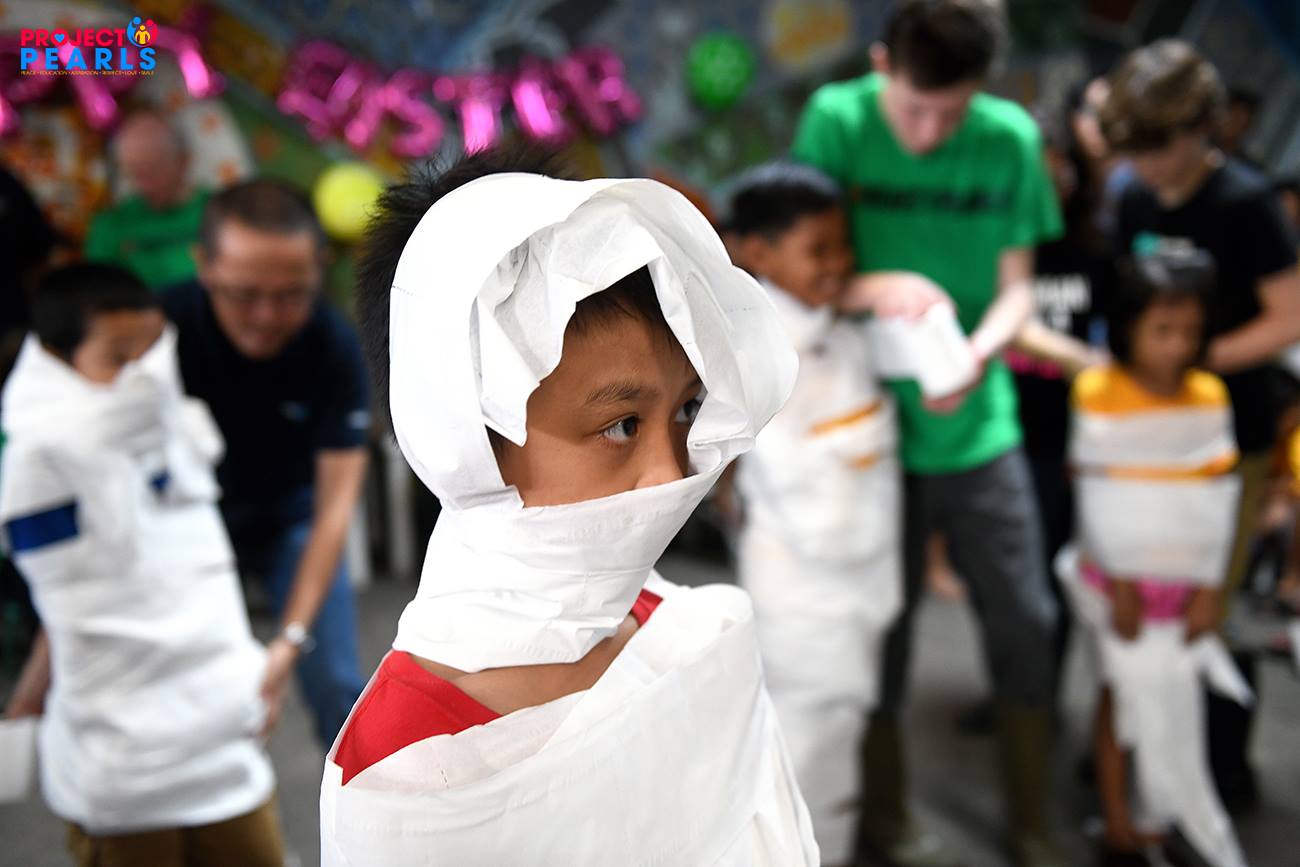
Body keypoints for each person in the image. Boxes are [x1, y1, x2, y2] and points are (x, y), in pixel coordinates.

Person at [319, 150, 818, 865]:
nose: (671, 471)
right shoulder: (403, 768)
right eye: (621, 425)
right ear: (465, 440)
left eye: (687, 411)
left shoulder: (675, 624)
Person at [793, 2, 1065, 864]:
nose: (929, 132)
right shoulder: (835, 121)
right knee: (884, 626)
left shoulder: (1009, 138)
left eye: (951, 113)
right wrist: (875, 285)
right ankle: (886, 816)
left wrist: (981, 351)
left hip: (981, 424)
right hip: (867, 430)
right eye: (914, 108)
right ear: (882, 64)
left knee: (1027, 617)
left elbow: (1018, 288)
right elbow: (796, 270)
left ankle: (1031, 821)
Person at [0, 264, 284, 867]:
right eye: (118, 356)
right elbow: (76, 601)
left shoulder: (167, 430)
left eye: (150, 353)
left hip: (223, 744)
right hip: (124, 765)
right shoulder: (39, 463)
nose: (142, 375)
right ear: (56, 360)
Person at [1101, 39, 1300, 809]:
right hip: (1145, 432)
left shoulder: (1246, 203)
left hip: (1229, 435)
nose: (1146, 164)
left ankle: (1223, 765)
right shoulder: (1133, 196)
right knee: (1144, 585)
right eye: (1134, 149)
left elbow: (1288, 316)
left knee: (1211, 597)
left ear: (1203, 128)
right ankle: (1143, 754)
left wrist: (1193, 361)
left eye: (1160, 147)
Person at [723, 162, 902, 867]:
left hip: (859, 585)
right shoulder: (757, 352)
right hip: (802, 590)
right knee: (801, 745)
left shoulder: (847, 338)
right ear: (758, 252)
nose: (837, 264)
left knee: (837, 745)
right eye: (817, 249)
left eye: (842, 246)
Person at [162, 180, 370, 747]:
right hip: (187, 527)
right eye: (245, 294)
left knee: (338, 684)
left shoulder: (333, 345)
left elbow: (335, 510)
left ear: (318, 268)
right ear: (205, 266)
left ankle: (361, 800)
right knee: (182, 694)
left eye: (292, 294)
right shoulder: (160, 332)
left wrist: (292, 637)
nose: (267, 316)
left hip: (292, 520)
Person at [1063, 247, 1250, 867]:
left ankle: (1160, 818)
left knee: (1175, 707)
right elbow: (1099, 499)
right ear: (1127, 325)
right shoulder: (1098, 391)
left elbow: (1215, 502)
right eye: (1162, 330)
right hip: (1117, 588)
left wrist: (1208, 589)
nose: (1177, 346)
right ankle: (1119, 826)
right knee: (1122, 699)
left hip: (1182, 588)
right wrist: (1120, 585)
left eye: (1191, 332)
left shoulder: (1209, 395)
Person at [84, 111, 209, 290]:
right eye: (134, 173)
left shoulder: (219, 212)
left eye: (153, 170)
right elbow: (101, 293)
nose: (144, 185)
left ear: (184, 161)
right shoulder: (110, 225)